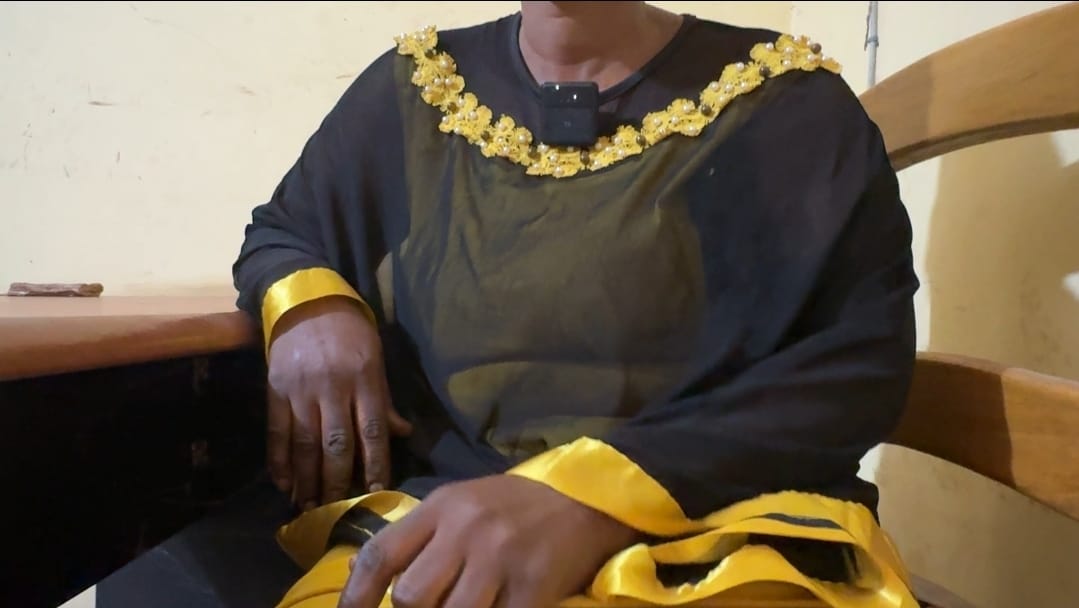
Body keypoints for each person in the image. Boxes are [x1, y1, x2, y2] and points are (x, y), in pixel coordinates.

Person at [230, 1, 922, 607]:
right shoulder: (414, 89)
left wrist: (588, 500)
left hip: (721, 525)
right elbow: (285, 231)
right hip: (447, 525)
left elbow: (854, 364)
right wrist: (312, 310)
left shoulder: (787, 103)